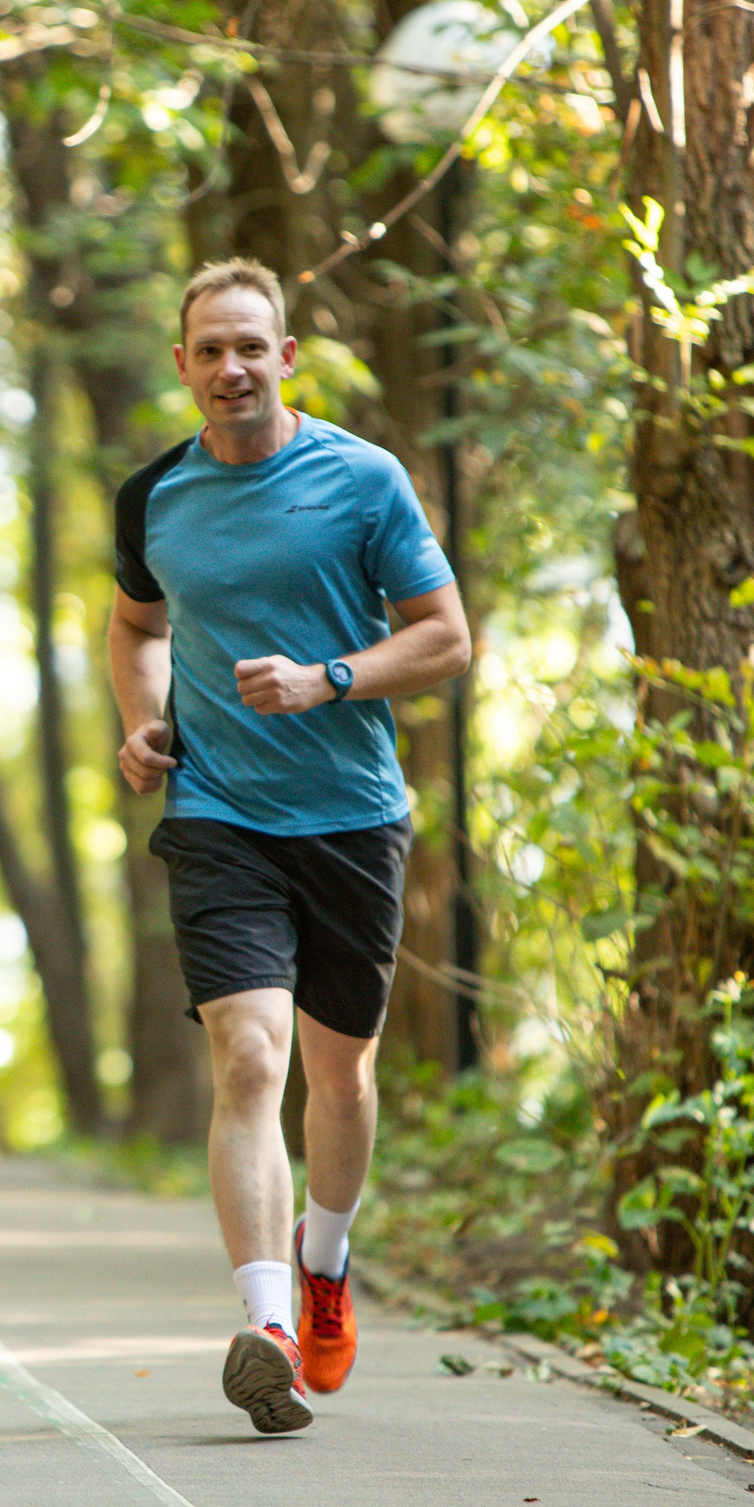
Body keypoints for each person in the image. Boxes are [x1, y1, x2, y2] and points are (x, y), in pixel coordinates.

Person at [107, 259, 471, 1436]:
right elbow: (134, 625)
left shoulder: (361, 480)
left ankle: (324, 1260)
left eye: (249, 347)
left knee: (339, 1076)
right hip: (218, 816)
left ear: (286, 357)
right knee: (249, 1057)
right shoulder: (153, 497)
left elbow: (445, 638)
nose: (231, 368)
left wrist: (328, 679)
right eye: (209, 350)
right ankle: (266, 1325)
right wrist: (142, 721)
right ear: (183, 365)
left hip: (351, 815)